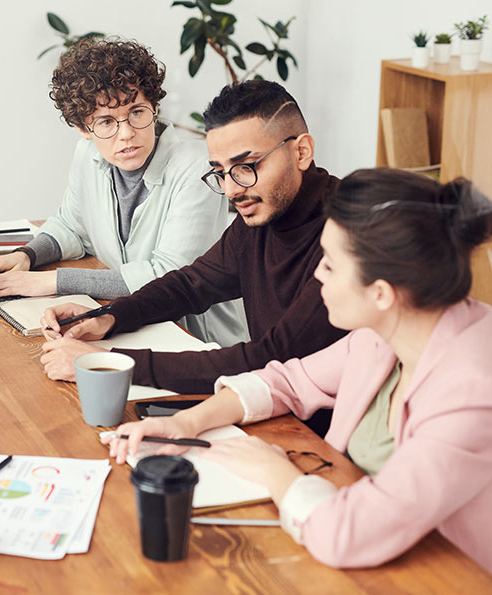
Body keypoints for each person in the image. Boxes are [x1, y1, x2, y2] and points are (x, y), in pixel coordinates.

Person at [105, 169, 492, 588]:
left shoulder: (472, 397)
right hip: (362, 555)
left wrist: (276, 471)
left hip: (440, 577)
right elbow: (288, 380)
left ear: (381, 293)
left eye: (331, 266)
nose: (318, 275)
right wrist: (185, 423)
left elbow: (347, 533)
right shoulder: (393, 331)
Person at [40, 80, 347, 400]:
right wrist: (110, 317)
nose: (232, 190)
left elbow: (269, 359)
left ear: (302, 151)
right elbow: (191, 284)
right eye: (221, 172)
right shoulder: (261, 216)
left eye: (247, 166)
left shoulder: (346, 238)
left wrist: (110, 363)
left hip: (323, 433)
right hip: (272, 404)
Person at [0, 38, 247, 346]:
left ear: (154, 106)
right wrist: (26, 256)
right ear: (84, 129)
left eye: (137, 112)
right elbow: (71, 227)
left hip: (193, 339)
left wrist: (50, 282)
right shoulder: (88, 155)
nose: (126, 134)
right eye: (106, 122)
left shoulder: (195, 168)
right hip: (128, 321)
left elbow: (170, 275)